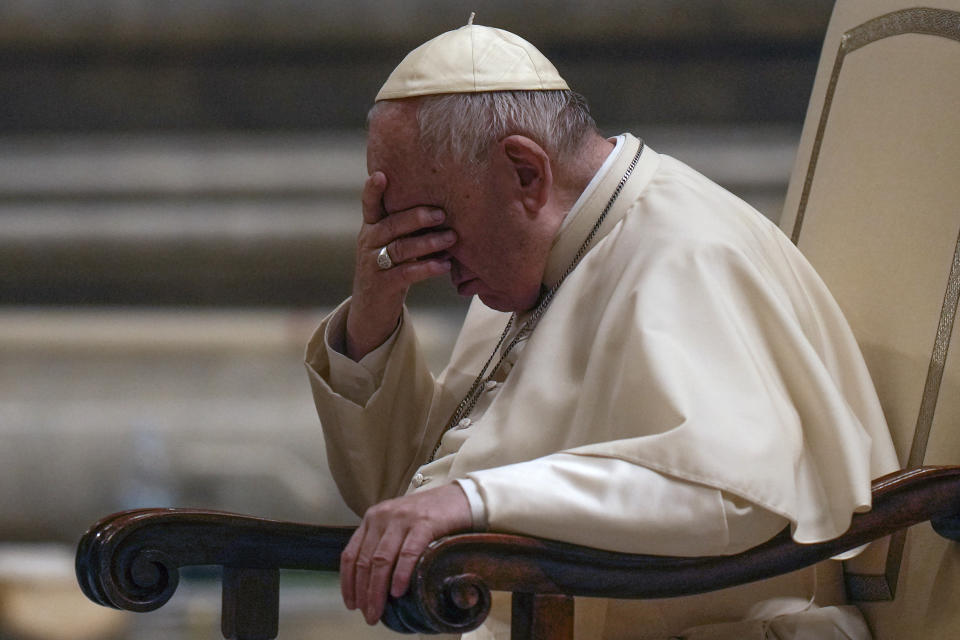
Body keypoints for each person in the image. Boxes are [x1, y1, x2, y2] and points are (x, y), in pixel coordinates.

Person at [305, 19, 899, 640]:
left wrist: (475, 501)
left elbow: (732, 494)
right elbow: (398, 499)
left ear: (526, 173)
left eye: (435, 222)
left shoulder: (683, 251)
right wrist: (374, 314)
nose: (428, 255)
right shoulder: (534, 265)